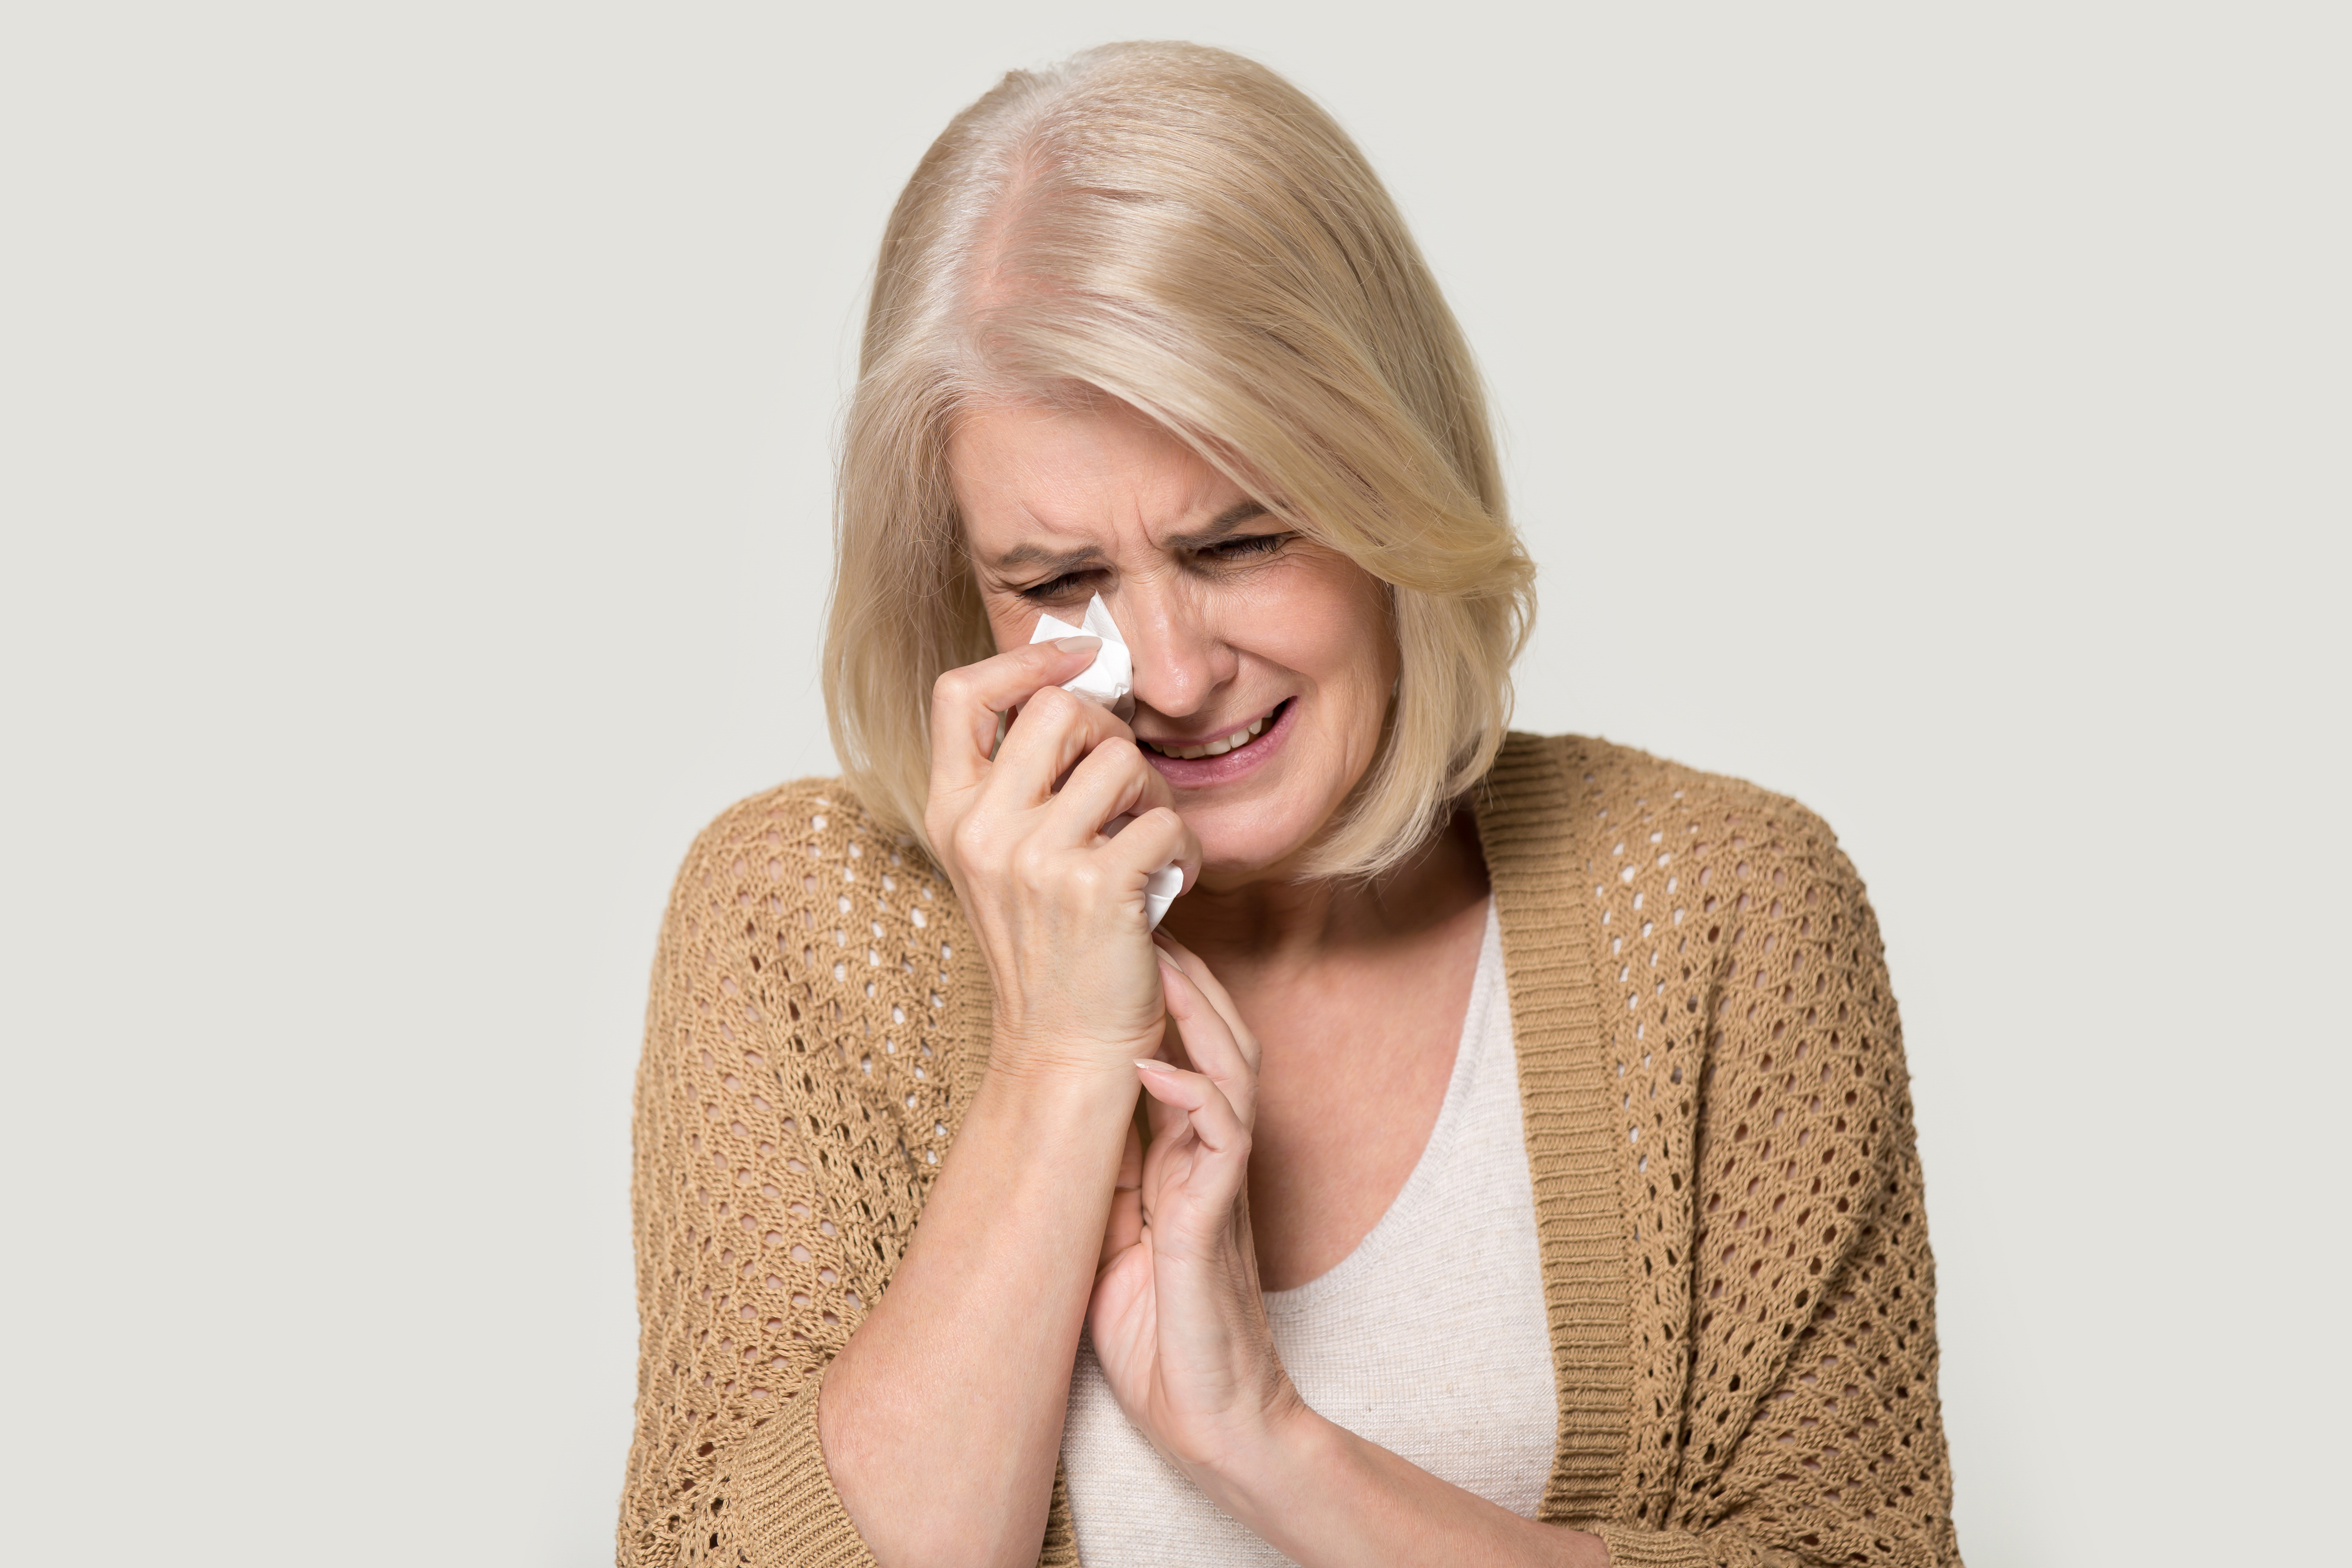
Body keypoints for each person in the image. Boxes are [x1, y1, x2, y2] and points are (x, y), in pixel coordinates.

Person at [616, 40, 1961, 1568]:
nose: (1178, 674)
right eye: (1060, 583)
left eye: (1244, 541)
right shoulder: (804, 928)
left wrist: (1268, 1444)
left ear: (1393, 484)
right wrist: (1058, 1067)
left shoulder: (1724, 913)